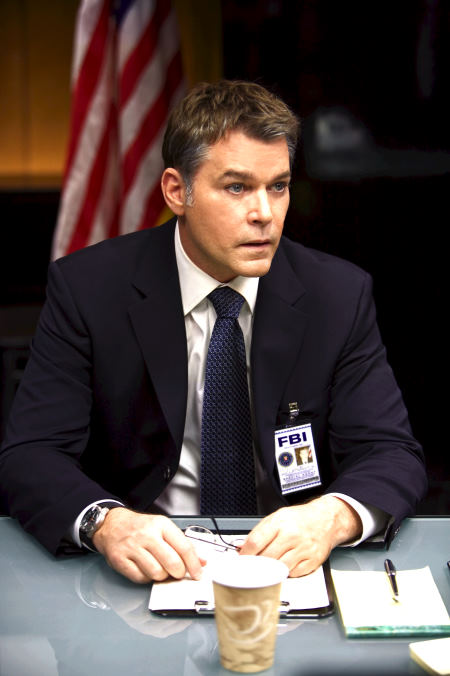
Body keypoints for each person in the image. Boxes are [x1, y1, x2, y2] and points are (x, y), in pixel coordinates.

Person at [0, 81, 427, 584]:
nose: (264, 213)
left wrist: (330, 517)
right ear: (176, 191)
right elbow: (31, 455)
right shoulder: (89, 290)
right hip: (143, 572)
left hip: (288, 571)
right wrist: (107, 523)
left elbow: (391, 452)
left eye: (278, 186)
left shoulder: (336, 295)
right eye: (237, 187)